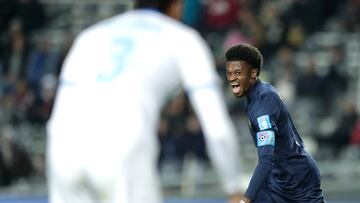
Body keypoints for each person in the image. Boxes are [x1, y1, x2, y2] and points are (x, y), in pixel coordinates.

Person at [47, 0, 243, 203]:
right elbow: (217, 130)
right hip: (121, 146)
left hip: (63, 145)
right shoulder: (183, 39)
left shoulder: (89, 36)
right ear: (176, 5)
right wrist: (234, 186)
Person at [224, 43, 326, 203]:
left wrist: (244, 200)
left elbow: (266, 160)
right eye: (228, 73)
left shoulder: (264, 101)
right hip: (277, 178)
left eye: (237, 73)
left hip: (298, 182)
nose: (231, 78)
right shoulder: (254, 95)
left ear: (253, 73)